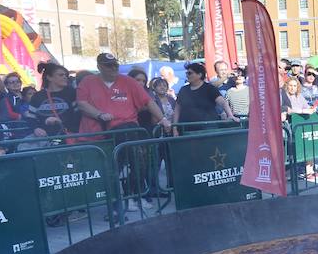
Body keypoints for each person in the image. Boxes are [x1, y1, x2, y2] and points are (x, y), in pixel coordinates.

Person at [76, 52, 171, 211]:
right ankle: (118, 200)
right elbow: (82, 104)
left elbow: (148, 101)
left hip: (128, 128)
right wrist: (99, 114)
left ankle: (135, 194)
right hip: (100, 132)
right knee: (112, 167)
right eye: (108, 66)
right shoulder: (88, 82)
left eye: (115, 65)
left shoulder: (128, 82)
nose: (113, 69)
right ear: (99, 67)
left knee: (138, 159)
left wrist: (163, 119)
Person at [173, 62, 238, 131]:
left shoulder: (210, 88)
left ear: (199, 75)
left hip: (208, 129)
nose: (187, 75)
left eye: (190, 73)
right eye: (186, 73)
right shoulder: (183, 90)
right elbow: (177, 109)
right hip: (187, 130)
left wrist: (230, 115)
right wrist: (175, 128)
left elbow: (222, 102)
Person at [26, 62, 80, 137]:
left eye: (66, 75)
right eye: (61, 75)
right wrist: (36, 128)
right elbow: (30, 118)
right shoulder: (37, 96)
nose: (65, 77)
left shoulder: (72, 93)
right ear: (49, 77)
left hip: (69, 136)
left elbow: (78, 116)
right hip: (44, 138)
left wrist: (61, 122)